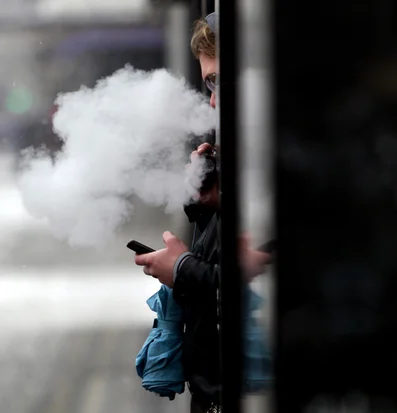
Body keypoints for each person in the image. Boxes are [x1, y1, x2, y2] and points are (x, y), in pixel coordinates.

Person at [133, 12, 271, 413]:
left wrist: (182, 269)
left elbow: (250, 277)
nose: (211, 100)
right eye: (208, 84)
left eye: (217, 82)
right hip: (216, 387)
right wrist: (209, 204)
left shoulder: (284, 167)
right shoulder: (252, 164)